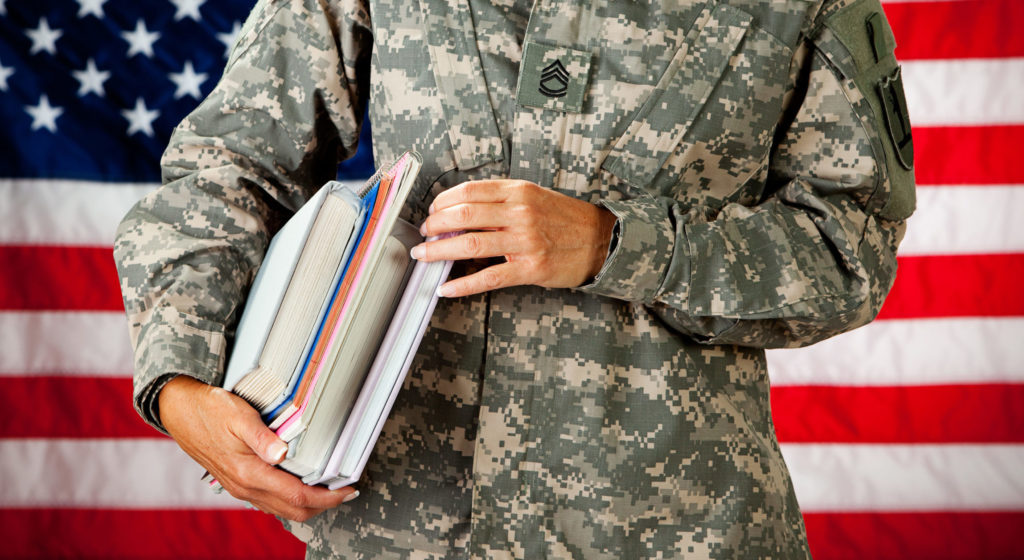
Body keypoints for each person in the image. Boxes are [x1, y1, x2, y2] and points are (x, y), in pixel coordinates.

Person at [114, 0, 914, 556]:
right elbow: (227, 170)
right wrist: (178, 381)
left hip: (677, 533)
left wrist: (618, 245)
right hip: (404, 527)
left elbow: (851, 246)